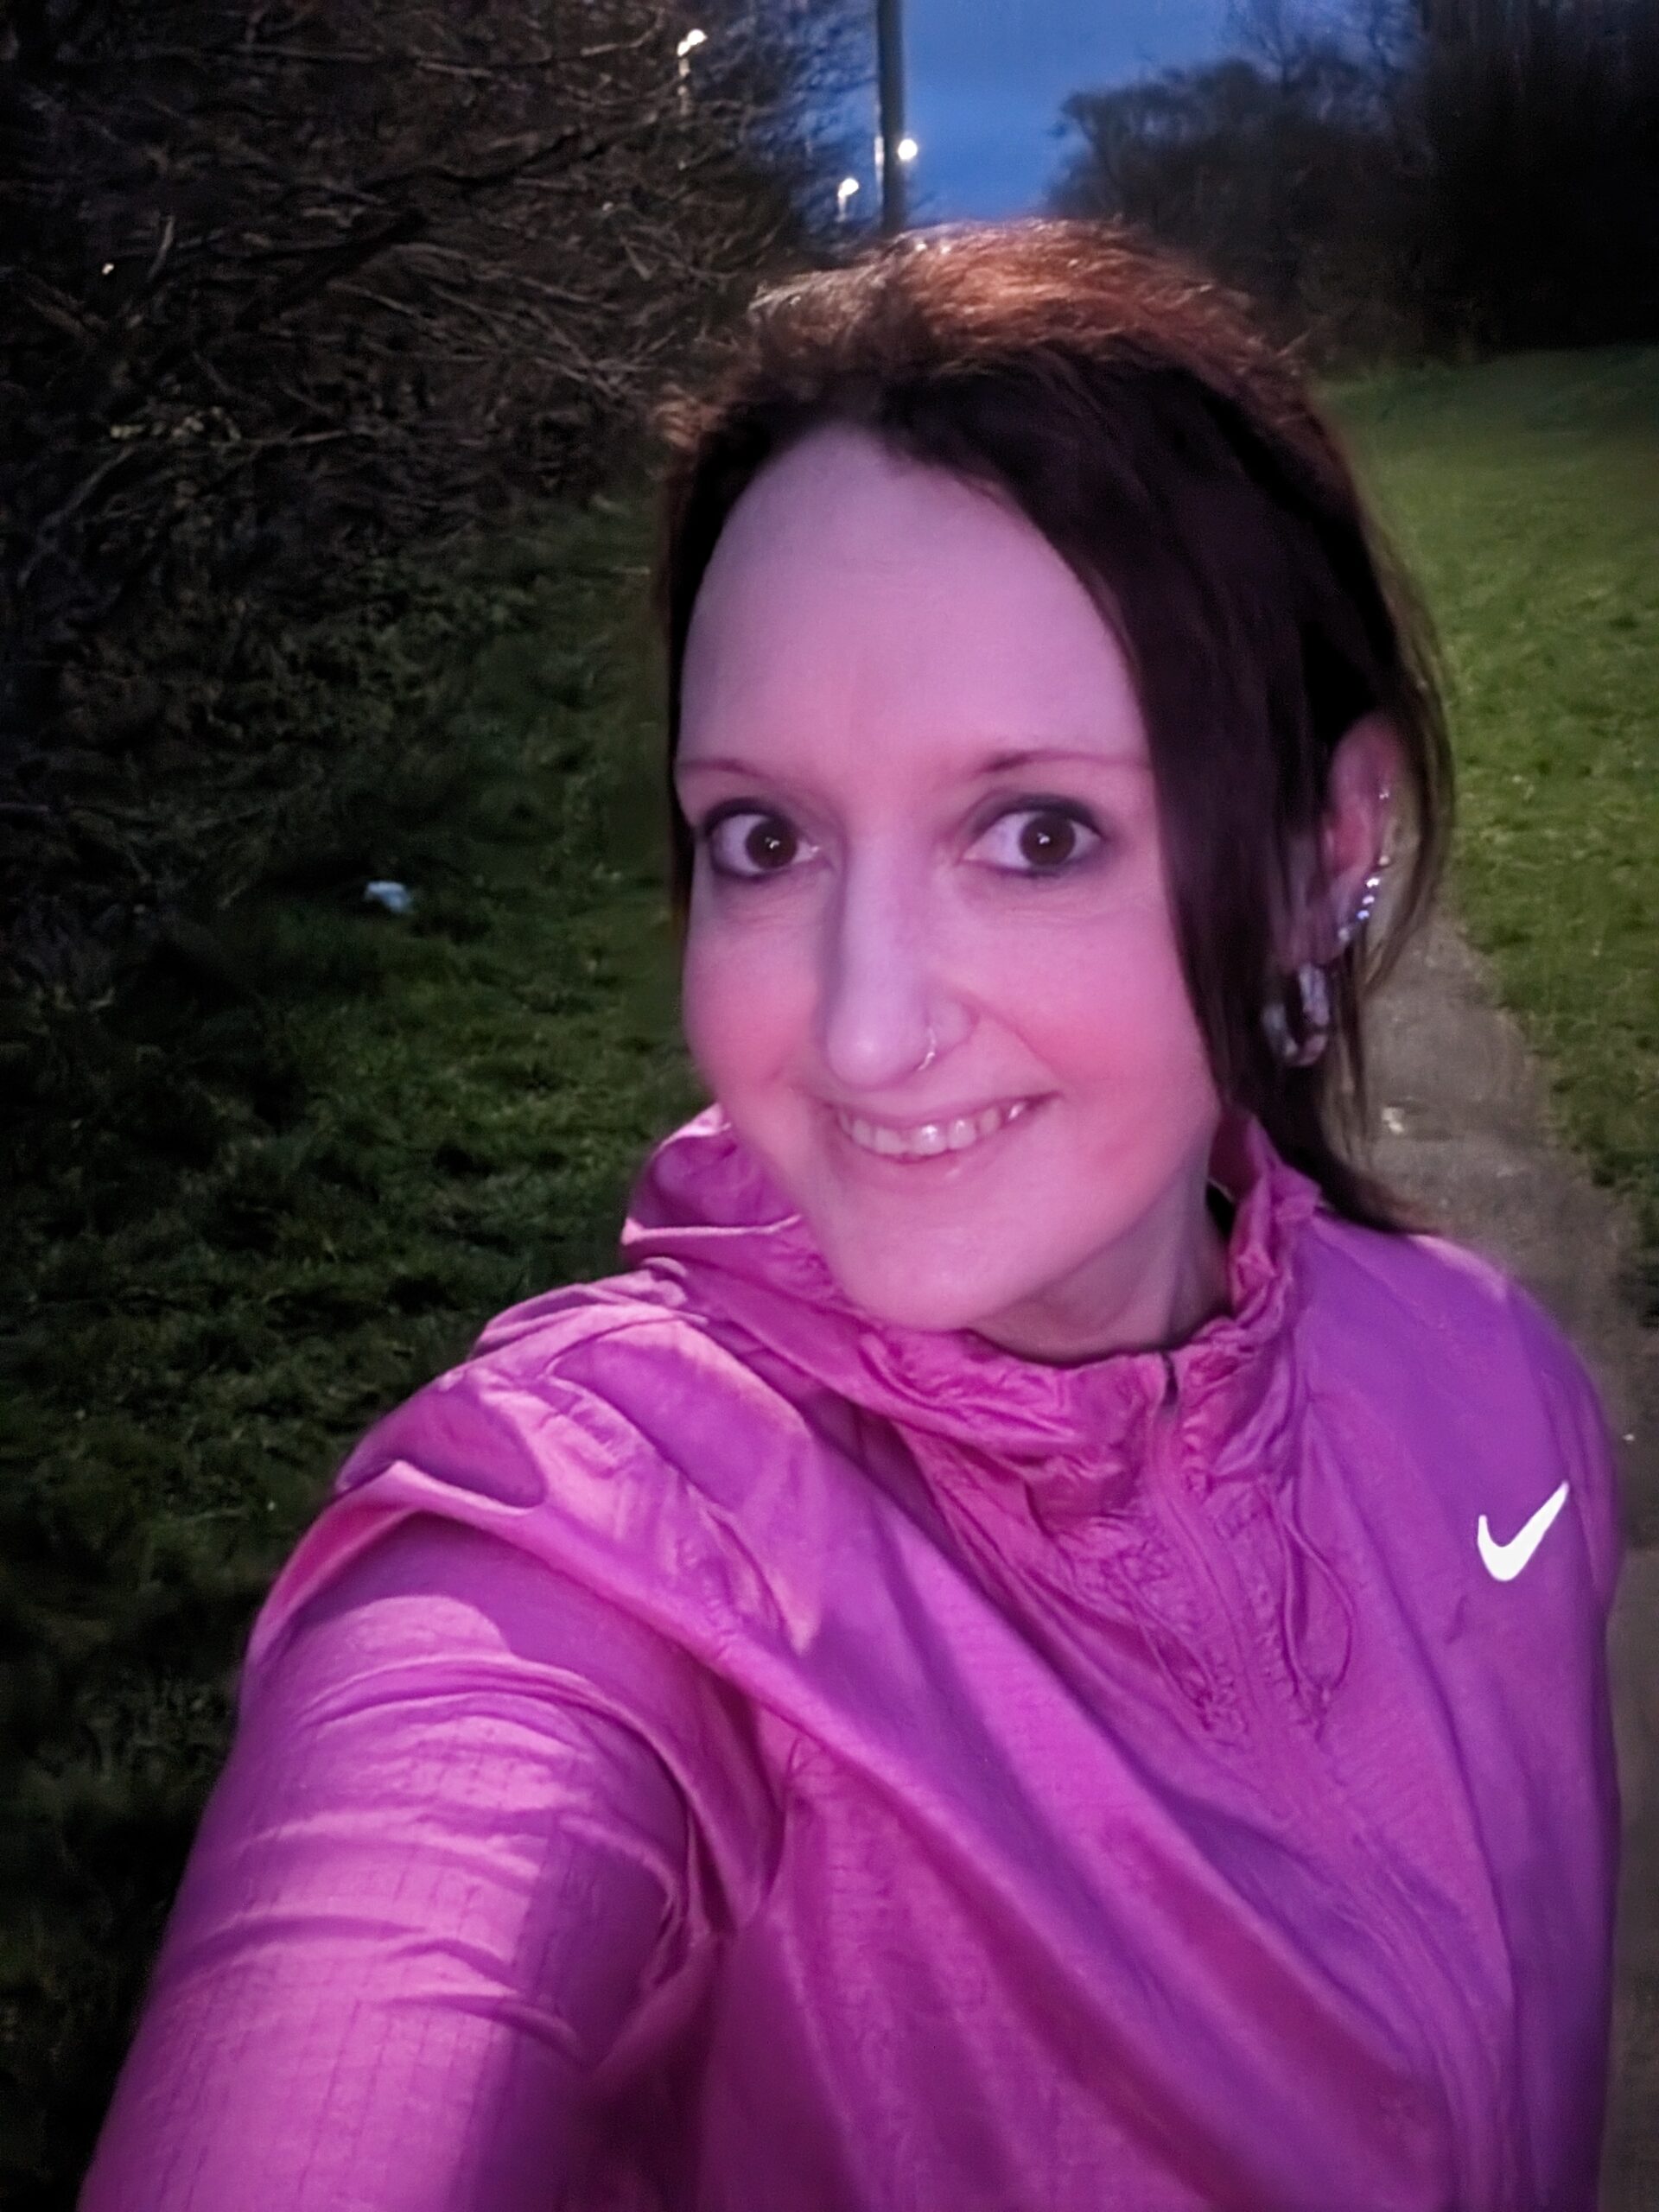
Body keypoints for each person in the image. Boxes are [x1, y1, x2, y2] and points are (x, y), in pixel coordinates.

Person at [80, 221, 1622, 2212]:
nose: (864, 1027)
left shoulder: (1498, 1393)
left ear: (1330, 841)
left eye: (1036, 831)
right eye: (766, 836)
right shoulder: (600, 1565)